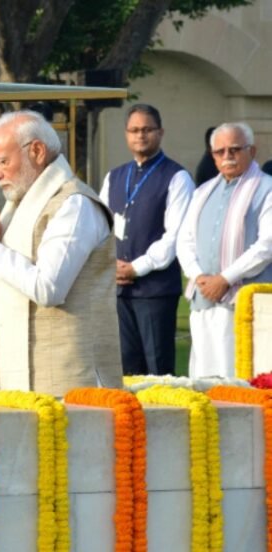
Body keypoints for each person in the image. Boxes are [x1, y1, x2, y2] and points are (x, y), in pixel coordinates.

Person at [0, 109, 122, 397]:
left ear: (36, 151)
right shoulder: (17, 208)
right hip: (24, 383)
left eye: (2, 161)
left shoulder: (74, 204)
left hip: (68, 381)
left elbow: (48, 288)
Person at [100, 104, 194, 375]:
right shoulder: (114, 176)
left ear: (160, 132)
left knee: (158, 368)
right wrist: (111, 265)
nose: (140, 136)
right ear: (126, 134)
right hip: (119, 289)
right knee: (126, 368)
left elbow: (175, 235)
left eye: (147, 130)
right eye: (134, 130)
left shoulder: (177, 177)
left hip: (155, 290)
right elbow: (102, 228)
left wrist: (136, 268)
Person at [176, 122, 272, 378]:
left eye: (234, 149)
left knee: (241, 379)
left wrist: (224, 279)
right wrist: (199, 277)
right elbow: (184, 241)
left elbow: (267, 244)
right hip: (204, 298)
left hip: (245, 302)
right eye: (220, 152)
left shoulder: (267, 188)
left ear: (252, 151)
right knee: (205, 378)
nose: (227, 157)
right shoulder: (203, 192)